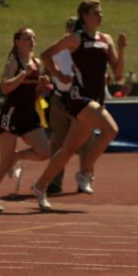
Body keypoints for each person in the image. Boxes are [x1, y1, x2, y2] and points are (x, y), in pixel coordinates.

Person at [30, 0, 126, 211]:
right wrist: (58, 75)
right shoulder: (75, 38)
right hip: (79, 97)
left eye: (101, 12)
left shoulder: (105, 39)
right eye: (96, 13)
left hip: (97, 98)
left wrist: (121, 49)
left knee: (67, 150)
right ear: (85, 16)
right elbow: (46, 55)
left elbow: (118, 73)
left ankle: (40, 186)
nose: (100, 16)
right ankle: (84, 172)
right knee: (111, 130)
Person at [0, 28, 52, 213]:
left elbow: (35, 92)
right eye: (27, 38)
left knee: (45, 152)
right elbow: (5, 88)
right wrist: (23, 75)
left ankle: (17, 156)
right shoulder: (14, 62)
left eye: (34, 37)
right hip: (12, 114)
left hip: (29, 114)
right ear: (17, 42)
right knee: (4, 163)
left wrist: (43, 85)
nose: (32, 41)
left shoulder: (37, 62)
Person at [45, 17, 95, 196]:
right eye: (70, 28)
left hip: (81, 100)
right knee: (58, 143)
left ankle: (85, 179)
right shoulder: (58, 49)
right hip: (60, 98)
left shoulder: (87, 49)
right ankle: (54, 182)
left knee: (86, 143)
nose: (73, 31)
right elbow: (46, 63)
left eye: (76, 28)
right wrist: (54, 75)